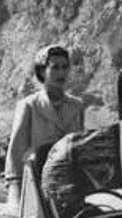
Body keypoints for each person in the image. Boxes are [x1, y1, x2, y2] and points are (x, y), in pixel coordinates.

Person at [7, 44, 87, 200]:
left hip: (70, 188)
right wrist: (15, 194)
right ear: (42, 71)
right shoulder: (29, 106)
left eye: (65, 67)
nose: (61, 72)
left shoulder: (77, 106)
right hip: (37, 191)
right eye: (55, 67)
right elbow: (16, 154)